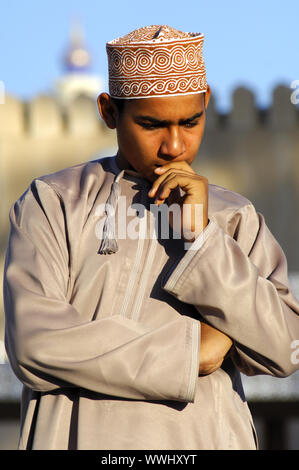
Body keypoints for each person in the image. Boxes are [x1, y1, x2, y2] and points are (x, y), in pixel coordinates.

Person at [3, 24, 299, 451]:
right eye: (151, 124)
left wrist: (203, 238)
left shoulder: (234, 217)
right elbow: (35, 343)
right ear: (109, 112)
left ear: (207, 104)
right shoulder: (54, 204)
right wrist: (190, 353)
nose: (174, 146)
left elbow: (285, 347)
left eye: (191, 122)